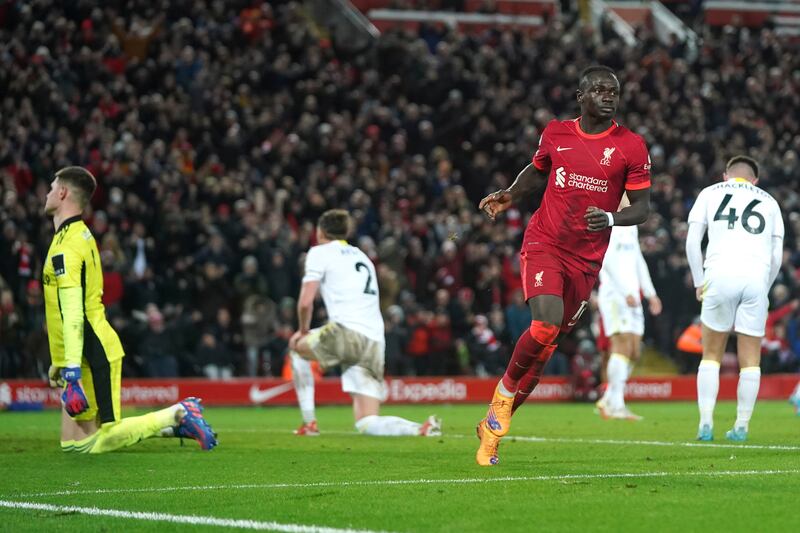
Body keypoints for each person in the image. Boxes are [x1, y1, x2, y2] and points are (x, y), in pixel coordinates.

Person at [475, 66, 652, 466]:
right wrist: (510, 195)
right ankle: (502, 397)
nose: (609, 96)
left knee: (545, 351)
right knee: (544, 325)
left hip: (587, 259)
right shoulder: (556, 132)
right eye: (600, 90)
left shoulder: (631, 146)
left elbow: (642, 207)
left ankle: (491, 431)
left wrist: (610, 219)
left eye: (615, 91)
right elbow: (538, 172)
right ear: (580, 96)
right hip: (546, 243)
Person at [42, 166, 217, 453]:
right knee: (73, 445)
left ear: (62, 193)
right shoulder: (74, 236)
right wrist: (60, 360)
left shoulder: (68, 246)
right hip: (81, 349)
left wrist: (70, 369)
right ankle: (176, 423)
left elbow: (73, 311)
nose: (47, 193)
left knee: (94, 443)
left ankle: (178, 412)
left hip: (92, 350)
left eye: (52, 187)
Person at [288, 209, 441, 437]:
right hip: (374, 341)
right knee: (367, 422)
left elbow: (305, 302)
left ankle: (309, 423)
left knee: (297, 349)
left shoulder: (319, 252)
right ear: (346, 231)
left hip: (345, 332)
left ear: (320, 232)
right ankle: (420, 429)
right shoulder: (362, 256)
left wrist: (301, 331)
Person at [686, 155, 784, 442]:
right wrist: (764, 287)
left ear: (726, 176)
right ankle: (741, 426)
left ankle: (705, 423)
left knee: (712, 354)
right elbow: (776, 256)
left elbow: (693, 241)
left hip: (719, 274)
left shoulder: (710, 192)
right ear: (755, 180)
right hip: (755, 276)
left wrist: (698, 281)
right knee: (751, 359)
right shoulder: (770, 201)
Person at [595, 194, 662, 420]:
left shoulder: (630, 225)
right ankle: (617, 405)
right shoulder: (606, 222)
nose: (628, 199)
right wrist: (625, 292)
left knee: (634, 351)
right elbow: (605, 261)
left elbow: (637, 260)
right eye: (624, 195)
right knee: (622, 346)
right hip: (615, 295)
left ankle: (608, 401)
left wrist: (651, 293)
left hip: (633, 295)